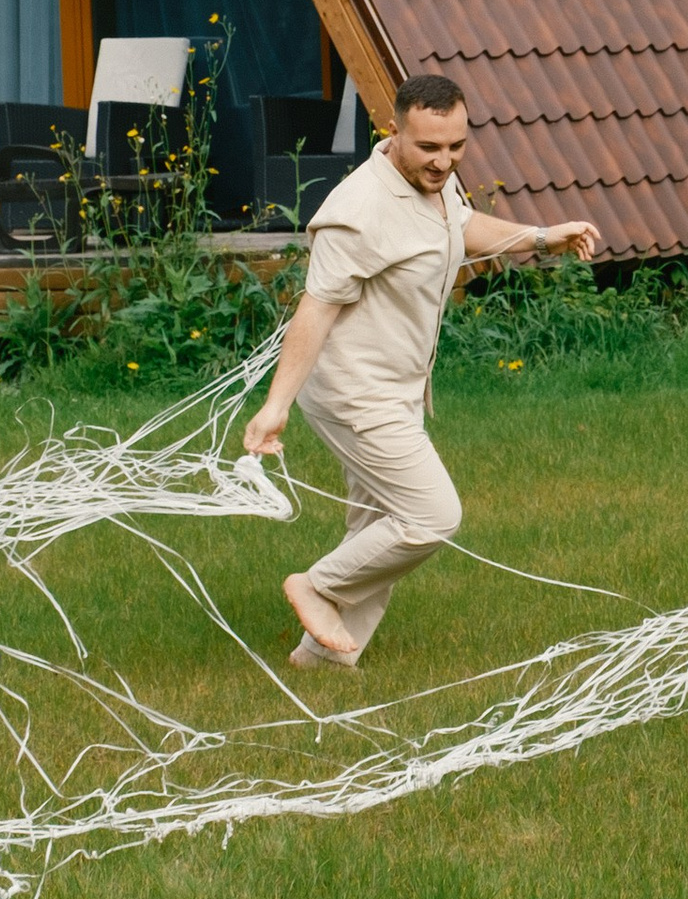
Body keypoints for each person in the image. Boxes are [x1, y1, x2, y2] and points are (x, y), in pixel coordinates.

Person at [242, 70, 600, 666]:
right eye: (429, 147)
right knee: (430, 516)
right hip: (355, 394)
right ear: (394, 133)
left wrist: (541, 236)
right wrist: (275, 406)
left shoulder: (438, 186)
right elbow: (314, 308)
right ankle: (316, 585)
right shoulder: (357, 209)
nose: (443, 161)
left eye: (456, 146)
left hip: (399, 386)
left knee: (378, 529)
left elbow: (463, 229)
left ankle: (323, 662)